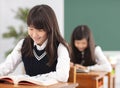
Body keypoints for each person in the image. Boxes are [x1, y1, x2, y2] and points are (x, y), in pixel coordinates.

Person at [0, 4, 70, 82]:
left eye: (40, 30)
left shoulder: (60, 47)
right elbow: (6, 67)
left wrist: (34, 79)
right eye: (31, 29)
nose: (34, 35)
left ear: (50, 28)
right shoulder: (23, 44)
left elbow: (62, 76)